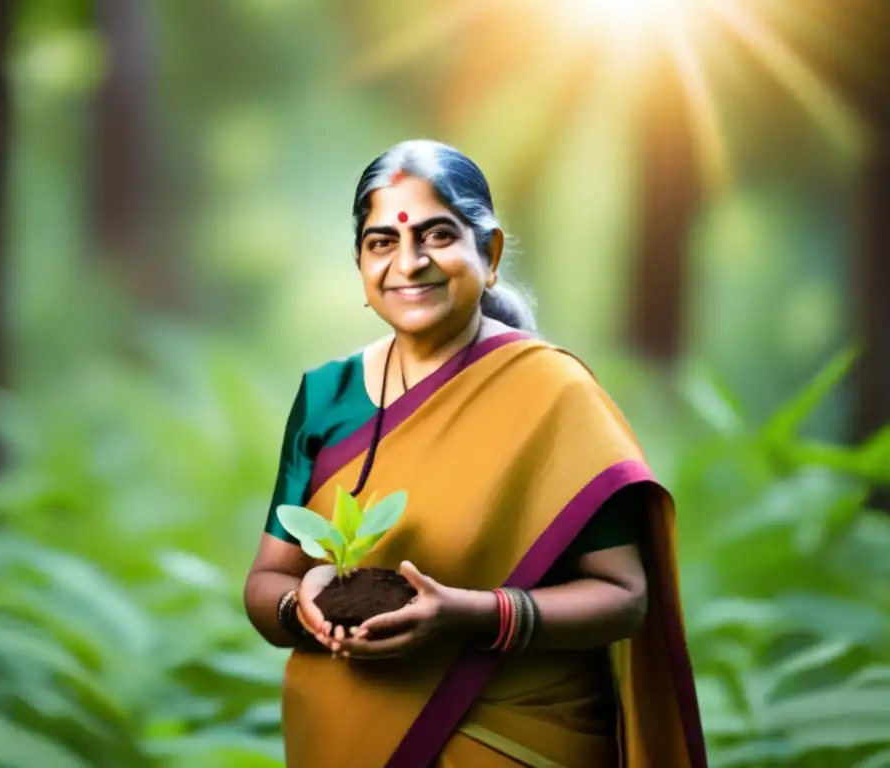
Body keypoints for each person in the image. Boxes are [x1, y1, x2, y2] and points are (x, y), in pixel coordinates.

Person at [243, 139, 707, 768]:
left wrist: (467, 615)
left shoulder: (553, 396)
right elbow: (268, 581)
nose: (410, 263)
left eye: (436, 236)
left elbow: (624, 596)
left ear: (487, 254)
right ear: (360, 264)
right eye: (383, 242)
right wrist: (305, 607)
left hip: (519, 740)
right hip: (343, 738)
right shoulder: (327, 397)